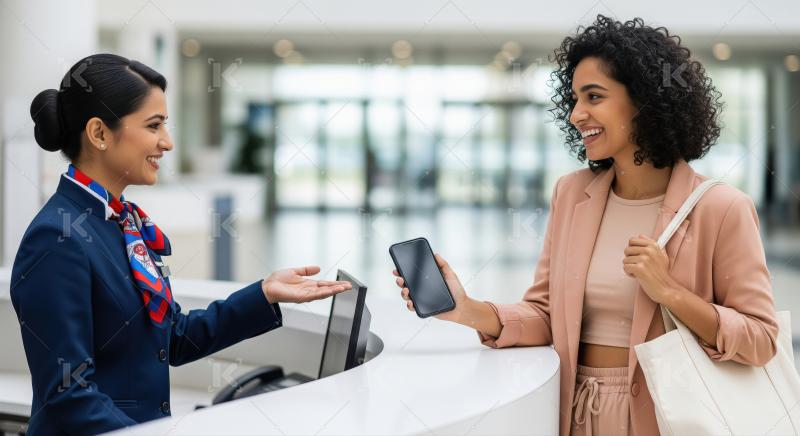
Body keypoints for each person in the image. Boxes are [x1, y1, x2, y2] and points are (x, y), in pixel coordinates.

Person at [393, 15, 778, 436]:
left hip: (666, 417)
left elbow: (761, 339)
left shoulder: (722, 208)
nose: (577, 114)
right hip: (574, 412)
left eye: (594, 97)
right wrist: (466, 310)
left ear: (645, 100)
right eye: (574, 99)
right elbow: (544, 315)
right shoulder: (572, 195)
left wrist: (670, 292)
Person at [10, 53, 352, 434]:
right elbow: (68, 398)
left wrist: (264, 294)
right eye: (154, 126)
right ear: (99, 134)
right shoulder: (57, 238)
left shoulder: (121, 223)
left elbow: (171, 337)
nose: (167, 143)